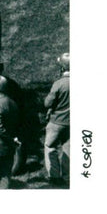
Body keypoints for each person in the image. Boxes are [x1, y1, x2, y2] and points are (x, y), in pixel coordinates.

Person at [44, 52, 70, 184]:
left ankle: (54, 176)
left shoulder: (59, 84)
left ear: (62, 68)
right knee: (68, 148)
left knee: (50, 146)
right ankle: (68, 177)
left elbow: (47, 103)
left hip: (56, 121)